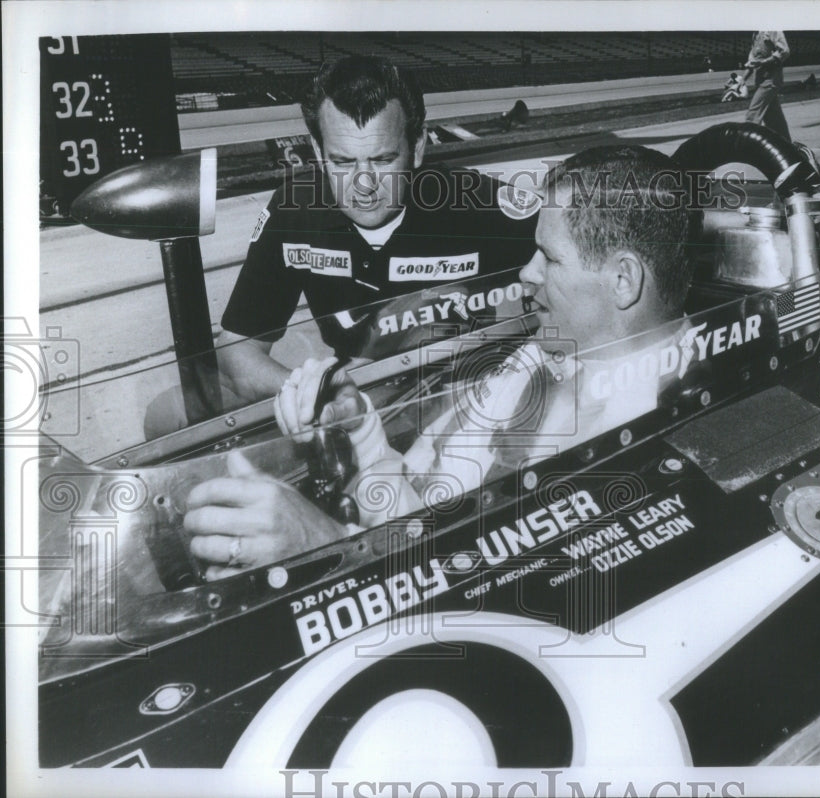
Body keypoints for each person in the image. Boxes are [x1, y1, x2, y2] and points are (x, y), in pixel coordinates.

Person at [184, 144, 696, 579]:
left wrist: (324, 544)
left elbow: (496, 594)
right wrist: (358, 430)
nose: (527, 271)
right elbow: (422, 507)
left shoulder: (643, 434)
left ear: (624, 281)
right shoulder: (544, 354)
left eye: (551, 258)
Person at [215, 54, 540, 402]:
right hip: (359, 399)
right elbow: (237, 351)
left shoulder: (476, 202)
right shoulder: (294, 211)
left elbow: (585, 267)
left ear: (416, 148)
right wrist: (321, 396)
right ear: (317, 151)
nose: (364, 184)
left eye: (382, 159)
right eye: (342, 162)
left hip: (465, 401)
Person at [743, 31, 791, 140]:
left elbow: (785, 51)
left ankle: (746, 148)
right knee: (774, 120)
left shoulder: (772, 29)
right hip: (760, 81)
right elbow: (752, 62)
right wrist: (742, 80)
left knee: (753, 116)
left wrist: (764, 62)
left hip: (771, 80)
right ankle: (789, 148)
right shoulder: (755, 34)